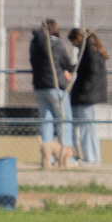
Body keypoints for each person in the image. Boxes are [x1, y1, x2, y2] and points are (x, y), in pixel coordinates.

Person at [29, 19, 74, 170]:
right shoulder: (57, 44)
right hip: (57, 87)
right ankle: (65, 157)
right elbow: (66, 64)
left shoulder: (34, 44)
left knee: (46, 122)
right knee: (64, 121)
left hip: (40, 87)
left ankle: (46, 159)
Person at [68, 28, 107, 167]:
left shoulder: (90, 51)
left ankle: (91, 158)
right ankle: (92, 157)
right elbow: (82, 68)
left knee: (86, 127)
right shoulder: (88, 50)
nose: (74, 45)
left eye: (73, 42)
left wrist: (83, 91)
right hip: (86, 95)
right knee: (87, 126)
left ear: (78, 38)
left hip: (86, 96)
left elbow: (92, 74)